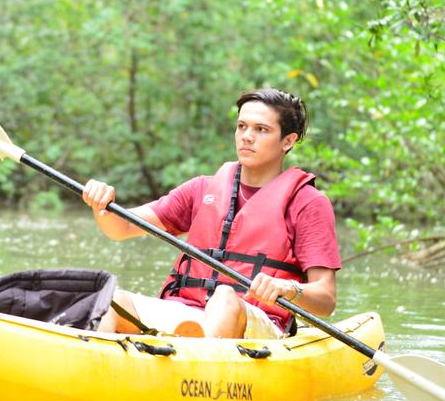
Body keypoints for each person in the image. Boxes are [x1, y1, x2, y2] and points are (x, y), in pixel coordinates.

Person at [81, 88, 340, 339]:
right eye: (242, 126)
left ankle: (192, 362)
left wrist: (289, 289)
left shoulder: (307, 203)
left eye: (261, 129)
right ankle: (95, 366)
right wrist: (102, 204)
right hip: (186, 312)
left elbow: (325, 299)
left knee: (225, 297)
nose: (246, 137)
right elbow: (121, 228)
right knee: (113, 300)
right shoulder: (202, 188)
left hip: (257, 322)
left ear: (288, 140)